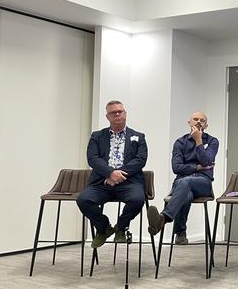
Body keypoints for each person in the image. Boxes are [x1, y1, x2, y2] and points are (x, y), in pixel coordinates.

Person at [76, 100, 148, 248]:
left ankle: (121, 228)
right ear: (107, 117)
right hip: (102, 182)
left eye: (120, 112)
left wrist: (118, 176)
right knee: (83, 200)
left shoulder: (139, 137)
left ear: (125, 114)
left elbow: (140, 160)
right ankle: (104, 229)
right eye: (113, 113)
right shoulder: (97, 136)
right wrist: (110, 173)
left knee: (137, 199)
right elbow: (92, 158)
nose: (117, 115)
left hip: (129, 182)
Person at [147, 111, 218, 245]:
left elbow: (206, 161)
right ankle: (180, 234)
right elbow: (176, 168)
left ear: (206, 125)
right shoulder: (180, 142)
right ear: (189, 122)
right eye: (195, 119)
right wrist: (196, 168)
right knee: (186, 192)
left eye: (202, 120)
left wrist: (198, 140)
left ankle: (163, 218)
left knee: (185, 182)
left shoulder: (213, 141)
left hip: (203, 182)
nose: (198, 122)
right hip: (182, 182)